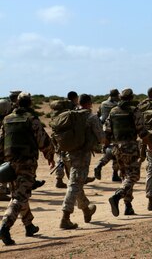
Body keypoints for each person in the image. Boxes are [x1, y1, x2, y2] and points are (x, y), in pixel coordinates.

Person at [0, 92, 55, 246]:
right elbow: (43, 140)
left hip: (10, 164)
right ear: (30, 104)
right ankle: (5, 226)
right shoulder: (31, 119)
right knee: (19, 197)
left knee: (19, 192)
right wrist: (50, 156)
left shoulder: (7, 119)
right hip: (26, 164)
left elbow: (1, 142)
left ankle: (29, 225)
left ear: (16, 103)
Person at [60, 94, 105, 229]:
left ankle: (86, 209)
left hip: (67, 154)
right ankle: (65, 217)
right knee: (74, 184)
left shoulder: (71, 115)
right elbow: (101, 137)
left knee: (76, 181)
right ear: (89, 103)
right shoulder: (91, 117)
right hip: (81, 155)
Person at [104, 88, 150, 216]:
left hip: (117, 148)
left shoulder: (113, 111)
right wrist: (148, 145)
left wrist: (107, 148)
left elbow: (107, 131)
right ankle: (117, 196)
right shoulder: (134, 111)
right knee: (133, 176)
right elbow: (142, 131)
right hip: (130, 147)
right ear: (131, 98)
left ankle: (128, 206)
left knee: (125, 176)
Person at [94, 89, 122, 182]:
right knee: (116, 151)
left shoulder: (102, 104)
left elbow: (98, 115)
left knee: (110, 150)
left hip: (104, 130)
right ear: (116, 95)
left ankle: (110, 171)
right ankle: (111, 172)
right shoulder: (116, 105)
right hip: (114, 130)